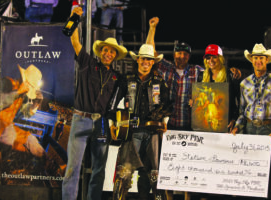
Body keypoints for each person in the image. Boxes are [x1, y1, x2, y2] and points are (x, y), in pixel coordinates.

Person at [146, 17, 241, 200]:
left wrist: (233, 71)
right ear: (174, 54)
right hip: (169, 126)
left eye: (184, 54)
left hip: (190, 127)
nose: (181, 56)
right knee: (169, 165)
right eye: (178, 53)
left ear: (189, 56)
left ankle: (188, 197)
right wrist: (152, 28)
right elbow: (151, 51)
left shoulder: (197, 71)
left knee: (188, 166)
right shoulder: (166, 68)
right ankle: (169, 198)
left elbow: (215, 76)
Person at [61, 6, 128, 200]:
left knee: (99, 170)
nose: (108, 54)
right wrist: (74, 16)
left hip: (101, 124)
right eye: (106, 50)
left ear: (115, 55)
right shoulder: (87, 62)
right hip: (80, 120)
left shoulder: (117, 77)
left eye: (112, 52)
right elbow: (74, 40)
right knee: (72, 168)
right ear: (100, 51)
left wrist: (114, 123)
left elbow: (116, 105)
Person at [231, 43, 271, 200]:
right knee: (251, 170)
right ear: (251, 60)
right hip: (250, 128)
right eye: (256, 58)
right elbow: (242, 112)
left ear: (267, 60)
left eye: (261, 58)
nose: (258, 61)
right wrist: (238, 127)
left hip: (270, 128)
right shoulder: (244, 84)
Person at [109, 44, 171, 200]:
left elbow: (168, 103)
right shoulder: (126, 79)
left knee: (153, 174)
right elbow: (112, 102)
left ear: (153, 62)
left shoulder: (159, 81)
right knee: (124, 175)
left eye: (149, 60)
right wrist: (112, 125)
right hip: (131, 131)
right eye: (144, 59)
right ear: (138, 60)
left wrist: (165, 122)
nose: (146, 62)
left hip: (153, 132)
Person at [0, 64, 45, 158]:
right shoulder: (7, 82)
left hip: (7, 127)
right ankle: (3, 162)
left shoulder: (22, 96)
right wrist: (18, 92)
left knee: (31, 139)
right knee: (10, 133)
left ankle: (49, 162)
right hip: (1, 127)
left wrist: (36, 104)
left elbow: (26, 114)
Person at [199, 44, 241, 132]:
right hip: (206, 124)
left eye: (214, 57)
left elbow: (241, 101)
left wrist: (234, 119)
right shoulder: (201, 76)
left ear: (220, 58)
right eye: (208, 58)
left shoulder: (231, 75)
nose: (211, 60)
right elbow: (200, 100)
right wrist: (194, 100)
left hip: (226, 124)